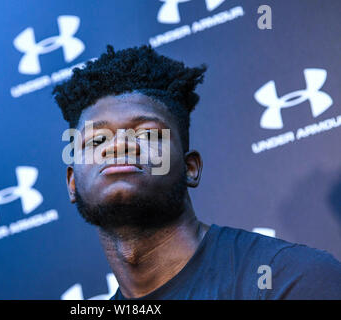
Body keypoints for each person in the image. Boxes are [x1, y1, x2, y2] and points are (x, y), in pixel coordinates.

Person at [52, 45, 341, 299]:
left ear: (190, 168)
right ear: (72, 183)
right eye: (97, 140)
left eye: (147, 134)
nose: (119, 146)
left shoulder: (291, 279)